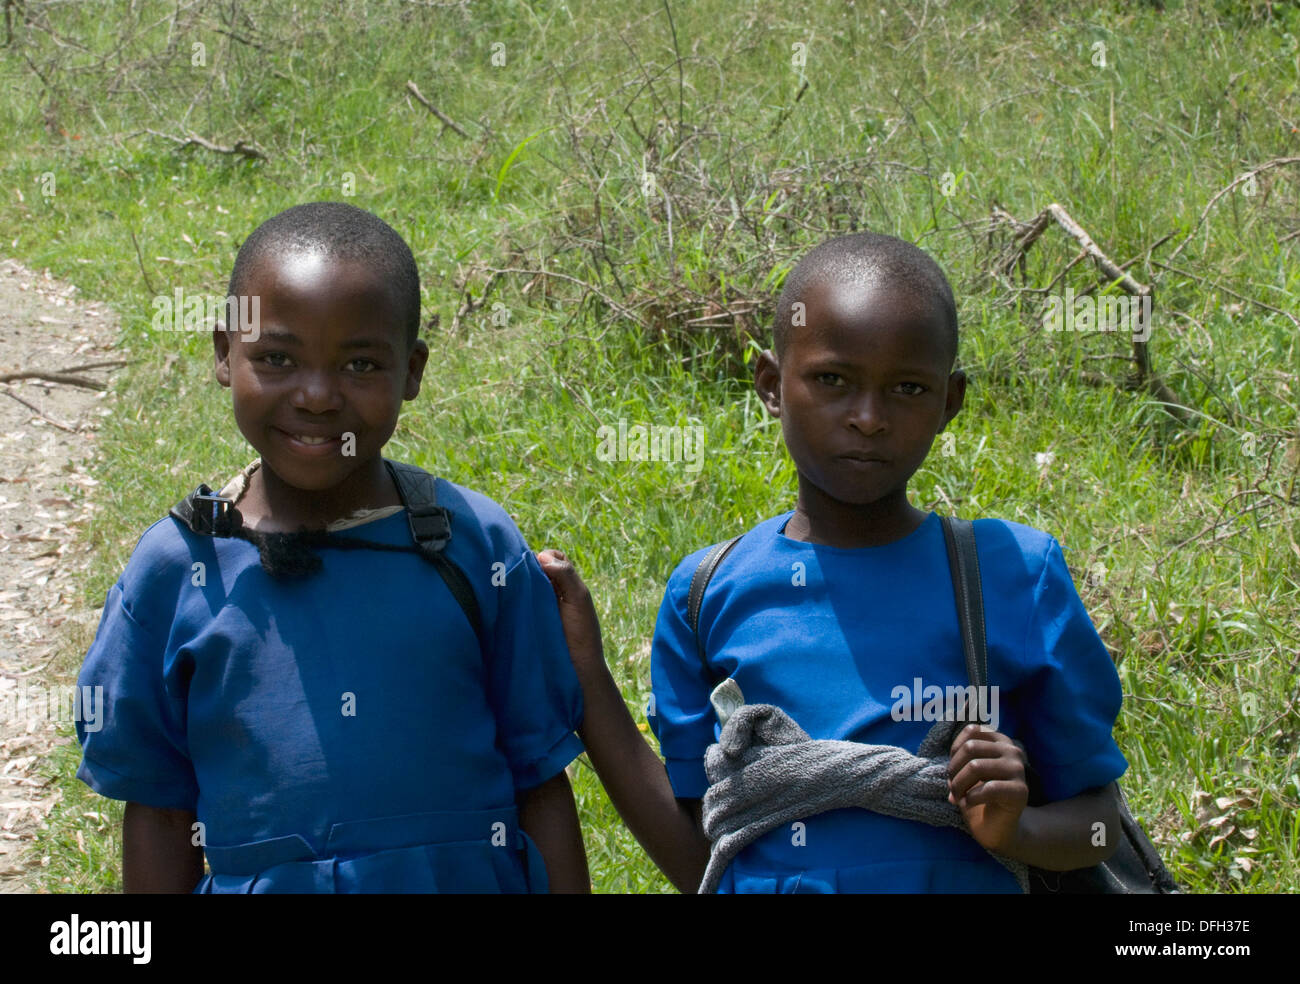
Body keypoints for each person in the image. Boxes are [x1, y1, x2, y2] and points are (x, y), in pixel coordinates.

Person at [538, 231, 1128, 893]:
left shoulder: (1014, 573)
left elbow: (1102, 825)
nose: (869, 418)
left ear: (949, 404)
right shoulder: (708, 593)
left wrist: (1017, 829)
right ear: (770, 384)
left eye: (907, 388)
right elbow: (704, 852)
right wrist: (585, 670)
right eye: (832, 380)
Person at [76, 202, 589, 893]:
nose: (317, 396)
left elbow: (540, 783)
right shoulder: (177, 572)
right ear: (225, 354)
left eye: (359, 364)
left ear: (412, 370)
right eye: (278, 358)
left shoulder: (470, 546)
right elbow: (162, 817)